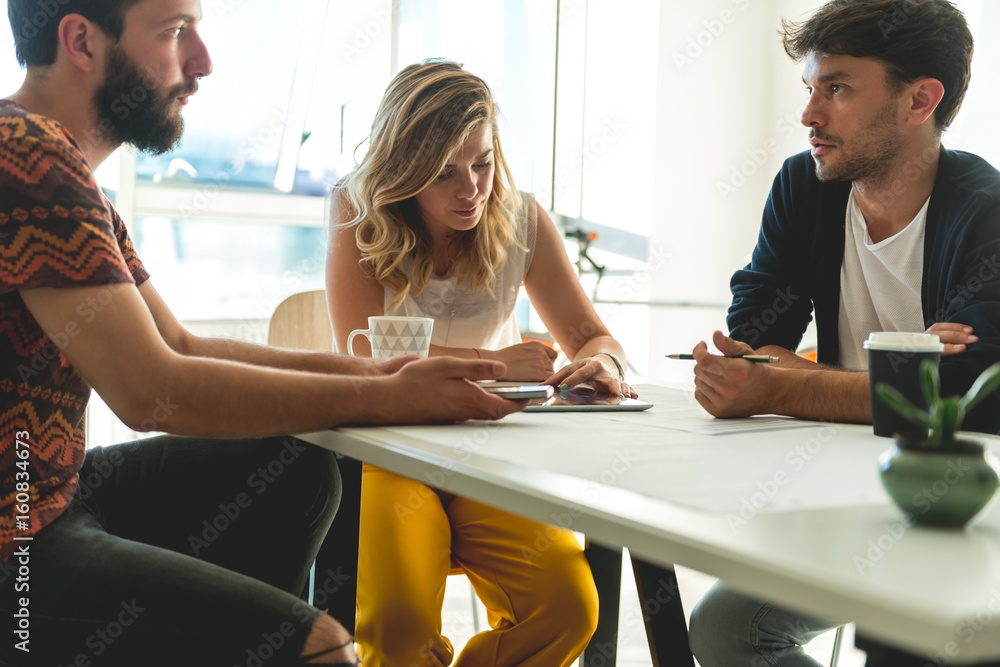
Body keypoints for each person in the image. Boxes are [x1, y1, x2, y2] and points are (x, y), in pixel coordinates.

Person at [0, 3, 526, 666]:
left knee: (297, 466)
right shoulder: (26, 156)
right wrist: (391, 398)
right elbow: (151, 390)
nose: (203, 62)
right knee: (322, 646)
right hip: (17, 540)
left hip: (57, 490)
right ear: (81, 41)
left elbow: (182, 346)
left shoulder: (63, 170)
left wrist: (384, 373)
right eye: (173, 33)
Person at [687, 1, 1000, 666]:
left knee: (906, 642)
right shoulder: (807, 186)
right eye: (810, 88)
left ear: (921, 100)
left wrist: (778, 383)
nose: (809, 115)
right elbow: (754, 338)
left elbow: (964, 398)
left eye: (837, 89)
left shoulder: (987, 215)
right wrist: (891, 376)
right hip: (847, 498)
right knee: (724, 630)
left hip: (966, 515)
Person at [326, 59, 634, 666]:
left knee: (569, 609)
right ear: (405, 169)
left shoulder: (522, 219)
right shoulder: (355, 210)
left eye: (482, 162)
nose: (471, 188)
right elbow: (362, 354)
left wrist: (606, 367)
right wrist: (493, 362)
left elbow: (594, 337)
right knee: (397, 625)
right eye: (444, 172)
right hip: (393, 451)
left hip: (490, 453)